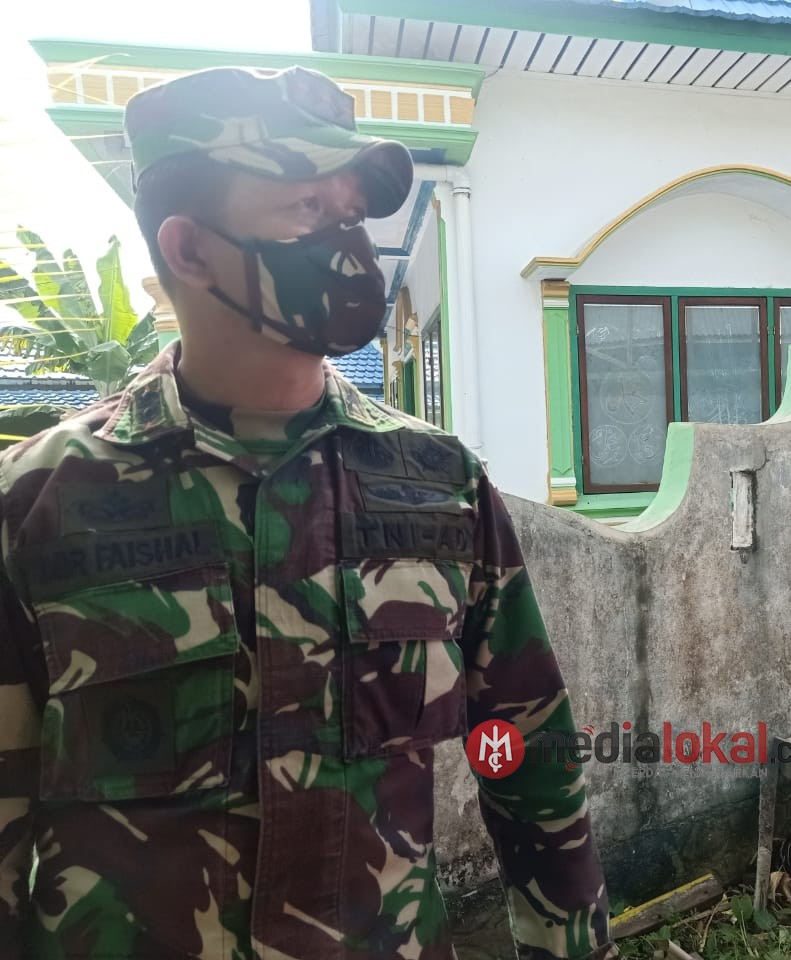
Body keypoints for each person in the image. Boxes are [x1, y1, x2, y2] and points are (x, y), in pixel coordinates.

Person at [0, 66, 614, 959]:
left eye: (351, 214)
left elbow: (521, 739)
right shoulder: (41, 501)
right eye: (305, 212)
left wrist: (570, 940)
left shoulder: (437, 481)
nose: (347, 244)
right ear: (192, 249)